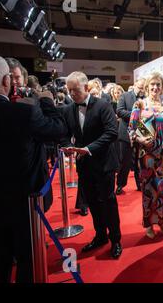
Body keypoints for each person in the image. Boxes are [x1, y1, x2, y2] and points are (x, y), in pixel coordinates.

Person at [0, 54, 66, 283]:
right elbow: (59, 130)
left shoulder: (24, 109)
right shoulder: (22, 113)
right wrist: (47, 100)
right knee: (29, 260)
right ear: (6, 81)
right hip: (22, 201)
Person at [60, 71, 122, 259]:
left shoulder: (103, 105)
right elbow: (64, 133)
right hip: (84, 165)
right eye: (69, 90)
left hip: (104, 163)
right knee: (93, 203)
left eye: (75, 90)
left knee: (109, 202)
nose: (71, 94)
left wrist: (88, 148)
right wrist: (68, 146)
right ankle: (100, 235)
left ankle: (116, 240)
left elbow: (112, 132)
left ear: (86, 88)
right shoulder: (68, 109)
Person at [129, 72, 163, 239]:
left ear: (162, 88)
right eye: (152, 85)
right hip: (146, 154)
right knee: (148, 189)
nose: (155, 88)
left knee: (162, 189)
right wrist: (141, 138)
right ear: (147, 87)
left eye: (158, 85)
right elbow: (132, 129)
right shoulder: (139, 104)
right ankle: (148, 225)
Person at [116, 77, 145, 194]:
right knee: (125, 161)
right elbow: (119, 111)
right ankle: (120, 185)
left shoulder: (146, 99)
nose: (141, 90)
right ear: (135, 84)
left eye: (143, 88)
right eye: (140, 87)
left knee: (141, 160)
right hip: (126, 133)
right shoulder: (125, 96)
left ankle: (140, 184)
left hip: (142, 133)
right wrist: (135, 114)